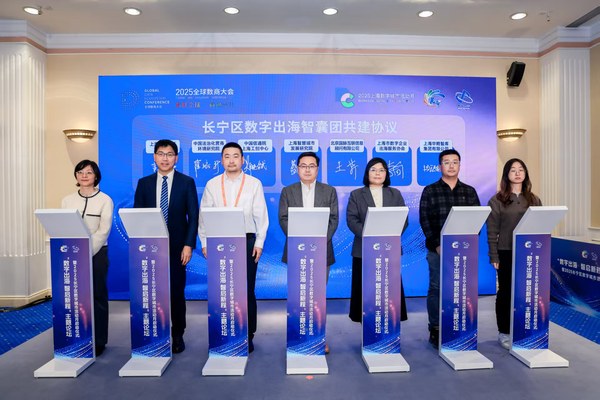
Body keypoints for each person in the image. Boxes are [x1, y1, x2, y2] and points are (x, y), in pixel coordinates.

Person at [198, 142, 269, 353]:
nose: (231, 160)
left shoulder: (254, 183)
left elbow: (261, 215)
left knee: (246, 290)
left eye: (235, 156)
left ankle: (248, 334)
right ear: (221, 160)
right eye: (227, 156)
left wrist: (259, 242)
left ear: (242, 160)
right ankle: (223, 332)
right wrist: (204, 242)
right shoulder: (212, 184)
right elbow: (204, 215)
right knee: (222, 290)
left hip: (246, 241)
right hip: (218, 241)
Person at [134, 139, 199, 354]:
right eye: (161, 154)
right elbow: (138, 217)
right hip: (150, 248)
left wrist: (188, 245)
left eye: (169, 154)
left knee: (176, 292)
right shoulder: (144, 183)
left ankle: (177, 333)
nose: (165, 158)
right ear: (154, 157)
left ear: (176, 158)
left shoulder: (186, 182)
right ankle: (154, 332)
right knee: (152, 292)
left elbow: (193, 216)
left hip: (177, 248)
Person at [419, 149, 480, 348]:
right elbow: (425, 220)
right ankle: (435, 328)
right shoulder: (430, 190)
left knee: (463, 288)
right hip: (437, 250)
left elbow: (477, 220)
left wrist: (469, 244)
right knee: (436, 287)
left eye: (455, 162)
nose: (451, 165)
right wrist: (437, 244)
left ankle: (461, 326)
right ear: (440, 166)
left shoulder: (469, 191)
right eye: (447, 162)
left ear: (460, 165)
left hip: (464, 252)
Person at [278, 151, 339, 354]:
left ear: (317, 169)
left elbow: (333, 220)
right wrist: (299, 241)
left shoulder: (329, 191)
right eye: (303, 166)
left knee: (317, 297)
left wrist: (319, 242)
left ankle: (318, 338)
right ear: (297, 169)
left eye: (311, 166)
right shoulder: (288, 191)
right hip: (296, 251)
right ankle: (297, 337)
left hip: (322, 251)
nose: (307, 170)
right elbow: (283, 218)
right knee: (298, 296)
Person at [486, 158, 541, 349]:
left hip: (530, 253)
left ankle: (524, 330)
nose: (517, 173)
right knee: (506, 293)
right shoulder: (497, 200)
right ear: (506, 175)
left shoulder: (534, 199)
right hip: (506, 251)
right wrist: (494, 255)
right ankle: (504, 332)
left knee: (527, 293)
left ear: (525, 174)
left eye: (521, 170)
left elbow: (540, 226)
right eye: (513, 170)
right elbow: (492, 230)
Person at [346, 157, 408, 324]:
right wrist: (370, 235)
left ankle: (390, 321)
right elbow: (352, 220)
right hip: (363, 249)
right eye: (373, 170)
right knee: (365, 289)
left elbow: (403, 219)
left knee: (389, 289)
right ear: (367, 173)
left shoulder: (395, 194)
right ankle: (367, 322)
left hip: (389, 248)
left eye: (381, 170)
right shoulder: (356, 194)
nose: (377, 173)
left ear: (386, 173)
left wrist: (388, 236)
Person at [61, 160, 114, 356]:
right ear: (76, 175)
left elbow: (104, 230)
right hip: (71, 255)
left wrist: (86, 251)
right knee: (74, 297)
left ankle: (99, 341)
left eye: (89, 172)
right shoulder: (67, 201)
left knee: (97, 296)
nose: (84, 175)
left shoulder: (105, 200)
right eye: (80, 172)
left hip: (97, 253)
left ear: (96, 176)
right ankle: (76, 337)